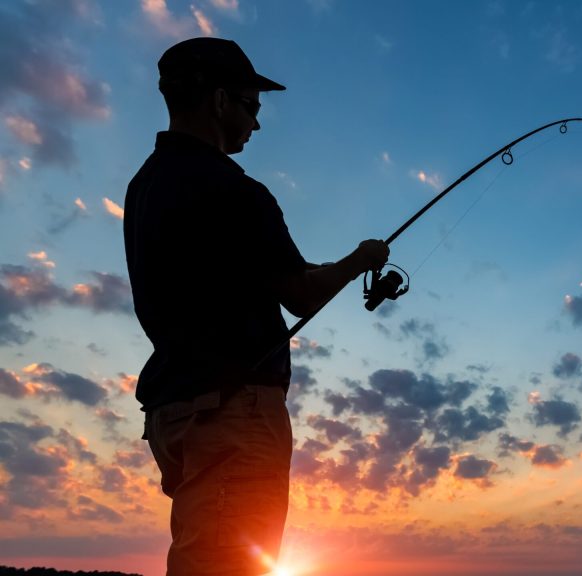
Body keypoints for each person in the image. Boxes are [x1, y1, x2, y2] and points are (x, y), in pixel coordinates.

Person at [123, 37, 389, 575]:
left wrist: (337, 265)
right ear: (220, 101)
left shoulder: (145, 186)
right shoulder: (235, 191)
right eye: (252, 107)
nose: (257, 125)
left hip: (175, 413)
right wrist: (360, 261)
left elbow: (270, 277)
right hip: (231, 415)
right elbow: (300, 294)